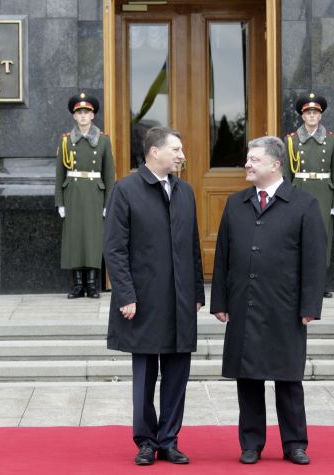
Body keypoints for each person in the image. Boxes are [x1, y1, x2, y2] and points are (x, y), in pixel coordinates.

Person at [211, 136, 326, 465]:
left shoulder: (303, 204)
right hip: (244, 304)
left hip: (284, 307)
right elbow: (223, 256)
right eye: (248, 158)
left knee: (288, 378)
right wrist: (220, 300)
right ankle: (251, 443)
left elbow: (314, 260)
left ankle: (295, 443)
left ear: (275, 165)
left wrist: (310, 306)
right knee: (248, 378)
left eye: (255, 159)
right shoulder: (236, 203)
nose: (247, 164)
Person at [104, 127, 205, 466]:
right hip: (143, 301)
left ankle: (169, 440)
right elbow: (114, 249)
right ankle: (146, 441)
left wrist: (196, 292)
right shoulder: (126, 190)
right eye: (176, 149)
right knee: (145, 375)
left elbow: (192, 246)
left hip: (180, 300)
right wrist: (125, 295)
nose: (182, 155)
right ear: (154, 152)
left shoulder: (185, 191)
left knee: (177, 374)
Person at [55, 92, 115, 299]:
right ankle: (77, 285)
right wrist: (60, 202)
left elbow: (109, 174)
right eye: (79, 112)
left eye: (86, 112)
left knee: (92, 238)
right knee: (74, 238)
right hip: (72, 193)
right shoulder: (65, 140)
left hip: (94, 194)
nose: (82, 116)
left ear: (92, 115)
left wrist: (108, 202)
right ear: (74, 116)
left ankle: (91, 284)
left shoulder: (103, 140)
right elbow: (59, 173)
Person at [283, 93, 334, 298]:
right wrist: (285, 197)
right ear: (302, 116)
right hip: (299, 190)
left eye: (315, 113)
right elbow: (286, 173)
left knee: (322, 237)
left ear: (320, 116)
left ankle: (319, 283)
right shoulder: (291, 140)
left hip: (323, 193)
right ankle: (298, 281)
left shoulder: (332, 140)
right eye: (308, 113)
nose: (311, 116)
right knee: (297, 236)